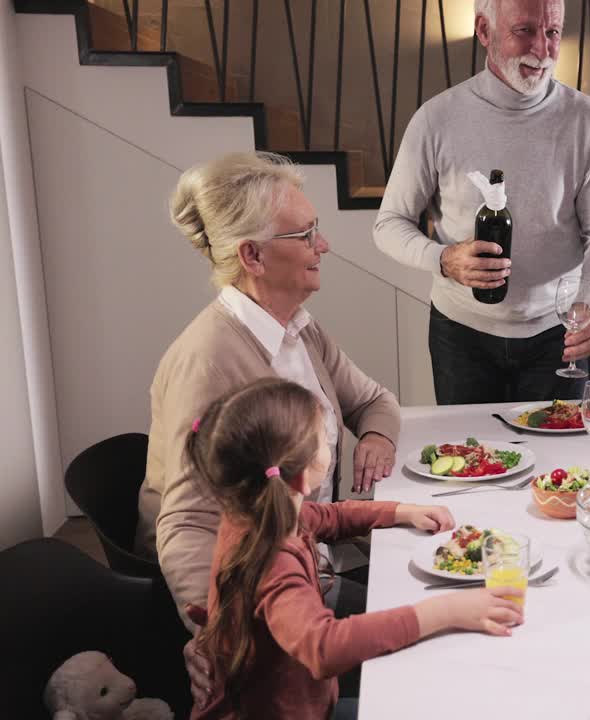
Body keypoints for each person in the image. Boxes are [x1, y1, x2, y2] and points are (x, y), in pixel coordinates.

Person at [136, 151, 401, 629]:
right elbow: (186, 526)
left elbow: (373, 400)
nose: (324, 245)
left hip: (310, 556)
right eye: (304, 235)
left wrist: (377, 440)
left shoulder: (298, 327)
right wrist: (219, 645)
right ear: (252, 256)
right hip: (259, 597)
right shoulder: (209, 361)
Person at [187, 379, 523, 720]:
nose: (330, 442)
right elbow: (324, 645)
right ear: (301, 478)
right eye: (322, 438)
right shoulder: (273, 560)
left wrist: (400, 511)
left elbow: (330, 516)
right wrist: (444, 611)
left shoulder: (254, 513)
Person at [373, 0, 590, 404]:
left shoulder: (587, 119)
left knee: (561, 465)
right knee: (472, 462)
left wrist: (587, 304)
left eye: (553, 32)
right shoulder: (435, 119)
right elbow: (389, 224)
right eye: (524, 31)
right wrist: (443, 259)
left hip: (556, 338)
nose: (542, 50)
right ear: (484, 31)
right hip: (460, 336)